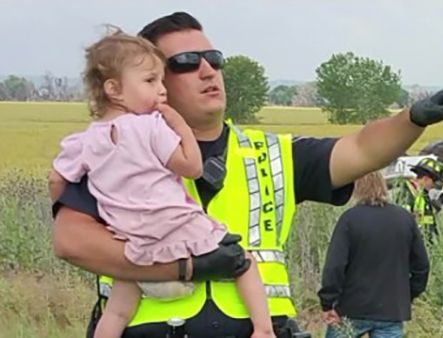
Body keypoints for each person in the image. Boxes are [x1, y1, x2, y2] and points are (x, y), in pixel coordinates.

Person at [51, 11, 443, 338]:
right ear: (149, 81)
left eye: (213, 59)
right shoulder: (112, 150)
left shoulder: (270, 154)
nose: (208, 70)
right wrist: (185, 268)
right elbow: (71, 241)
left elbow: (362, 148)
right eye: (185, 62)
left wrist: (415, 118)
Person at [48, 29, 275, 338]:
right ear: (114, 89)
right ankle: (264, 330)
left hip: (133, 246)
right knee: (243, 260)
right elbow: (192, 167)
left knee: (117, 309)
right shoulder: (151, 127)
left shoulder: (84, 141)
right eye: (150, 81)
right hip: (177, 231)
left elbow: (57, 180)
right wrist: (178, 124)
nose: (162, 90)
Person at [318, 171, 429, 338]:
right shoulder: (404, 219)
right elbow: (422, 266)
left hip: (351, 308)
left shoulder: (350, 219)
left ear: (357, 189)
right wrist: (407, 294)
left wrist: (328, 302)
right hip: (391, 309)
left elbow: (335, 266)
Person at [394, 157, 443, 235]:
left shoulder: (423, 195)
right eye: (434, 182)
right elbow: (402, 224)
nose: (434, 186)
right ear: (425, 179)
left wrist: (435, 210)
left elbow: (428, 223)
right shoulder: (406, 194)